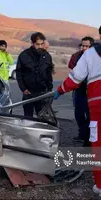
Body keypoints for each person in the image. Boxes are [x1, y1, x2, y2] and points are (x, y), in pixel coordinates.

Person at [53, 26, 101, 196]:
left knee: (98, 145)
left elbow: (75, 78)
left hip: (98, 105)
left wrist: (60, 90)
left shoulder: (91, 54)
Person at [16, 32, 53, 117]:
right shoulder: (24, 55)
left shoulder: (47, 56)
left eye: (42, 44)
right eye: (37, 44)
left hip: (43, 93)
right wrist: (23, 89)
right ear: (32, 43)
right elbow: (19, 73)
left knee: (43, 118)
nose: (40, 46)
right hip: (28, 93)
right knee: (28, 118)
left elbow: (49, 73)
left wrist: (49, 90)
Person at [69, 37, 94, 146]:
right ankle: (83, 134)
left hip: (92, 92)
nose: (84, 48)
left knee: (90, 116)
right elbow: (72, 71)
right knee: (78, 114)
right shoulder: (75, 56)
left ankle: (88, 140)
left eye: (87, 46)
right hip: (79, 90)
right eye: (82, 45)